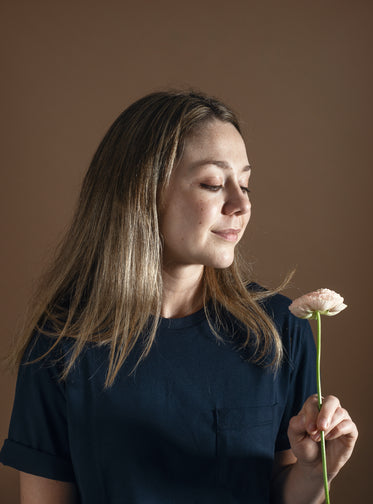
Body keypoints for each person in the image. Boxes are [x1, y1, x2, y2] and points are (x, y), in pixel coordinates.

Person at [0, 90, 357, 503]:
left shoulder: (281, 329)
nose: (241, 203)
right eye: (212, 183)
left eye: (245, 183)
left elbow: (276, 493)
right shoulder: (61, 341)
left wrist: (314, 471)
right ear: (142, 191)